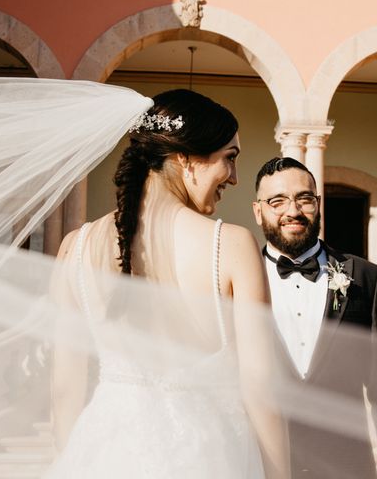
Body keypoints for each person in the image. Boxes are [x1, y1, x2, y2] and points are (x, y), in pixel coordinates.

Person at [46, 90, 290, 479]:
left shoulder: (75, 248)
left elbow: (65, 390)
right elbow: (262, 392)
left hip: (105, 455)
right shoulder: (231, 245)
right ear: (186, 159)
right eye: (229, 158)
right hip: (209, 458)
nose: (236, 177)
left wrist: (73, 460)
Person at [252, 157, 377, 479]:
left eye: (304, 199)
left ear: (318, 204)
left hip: (348, 468)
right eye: (277, 201)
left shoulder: (365, 277)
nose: (293, 211)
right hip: (262, 466)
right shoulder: (238, 279)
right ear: (258, 211)